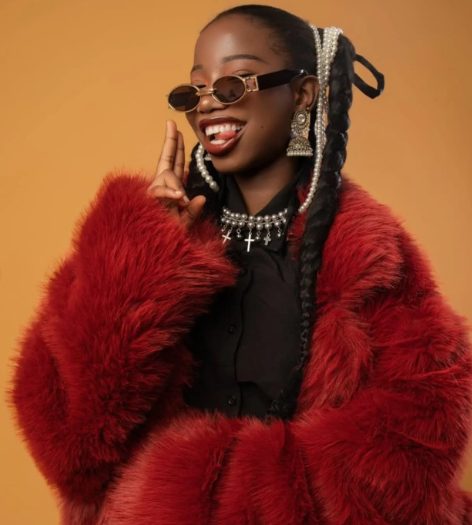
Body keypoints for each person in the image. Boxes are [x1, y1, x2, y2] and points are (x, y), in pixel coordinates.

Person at [10, 4, 472, 524]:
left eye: (232, 85)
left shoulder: (368, 255)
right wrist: (141, 258)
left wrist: (211, 491)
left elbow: (418, 436)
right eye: (194, 91)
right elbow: (71, 444)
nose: (207, 105)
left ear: (302, 94)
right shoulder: (150, 237)